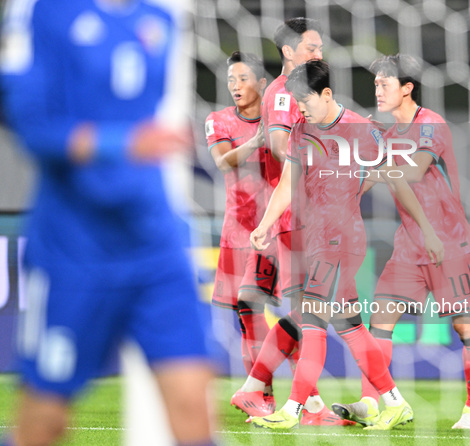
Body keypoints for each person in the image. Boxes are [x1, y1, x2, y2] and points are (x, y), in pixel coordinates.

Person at [0, 0, 215, 445]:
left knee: (193, 406)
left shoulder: (159, 19)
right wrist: (124, 143)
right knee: (45, 422)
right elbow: (33, 128)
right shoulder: (40, 13)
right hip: (73, 251)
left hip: (155, 243)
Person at [249, 59, 444, 430]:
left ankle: (292, 410)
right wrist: (264, 225)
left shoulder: (362, 131)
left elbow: (398, 182)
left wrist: (427, 231)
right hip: (315, 239)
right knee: (352, 327)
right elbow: (287, 183)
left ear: (326, 93)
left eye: (304, 100)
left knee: (312, 322)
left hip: (343, 241)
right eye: (295, 102)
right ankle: (395, 401)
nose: (300, 108)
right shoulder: (301, 130)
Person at [332, 54, 470, 429]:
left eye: (385, 83)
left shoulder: (431, 124)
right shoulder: (385, 133)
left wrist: (367, 165)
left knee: (466, 327)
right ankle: (373, 401)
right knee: (380, 322)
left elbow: (414, 170)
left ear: (407, 88)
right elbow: (365, 182)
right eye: (375, 83)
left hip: (449, 243)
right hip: (408, 245)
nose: (378, 89)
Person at [230, 18, 351, 426]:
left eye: (319, 48)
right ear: (288, 51)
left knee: (309, 313)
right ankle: (255, 387)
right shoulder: (284, 93)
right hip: (298, 215)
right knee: (309, 313)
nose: (319, 54)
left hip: (300, 214)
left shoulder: (296, 91)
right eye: (311, 47)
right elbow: (283, 147)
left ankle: (310, 405)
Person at [206, 51, 279, 406]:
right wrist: (256, 141)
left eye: (243, 79)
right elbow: (223, 162)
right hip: (237, 231)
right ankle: (261, 396)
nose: (235, 86)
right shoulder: (219, 120)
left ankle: (307, 399)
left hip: (277, 230)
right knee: (247, 313)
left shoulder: (280, 121)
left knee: (293, 314)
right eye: (231, 80)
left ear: (262, 83)